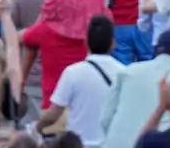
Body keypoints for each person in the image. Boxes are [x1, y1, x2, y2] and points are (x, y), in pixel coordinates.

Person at [37, 15, 123, 145]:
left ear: (85, 42)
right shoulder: (123, 73)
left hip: (78, 144)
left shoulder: (72, 73)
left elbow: (53, 114)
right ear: (112, 44)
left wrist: (37, 127)